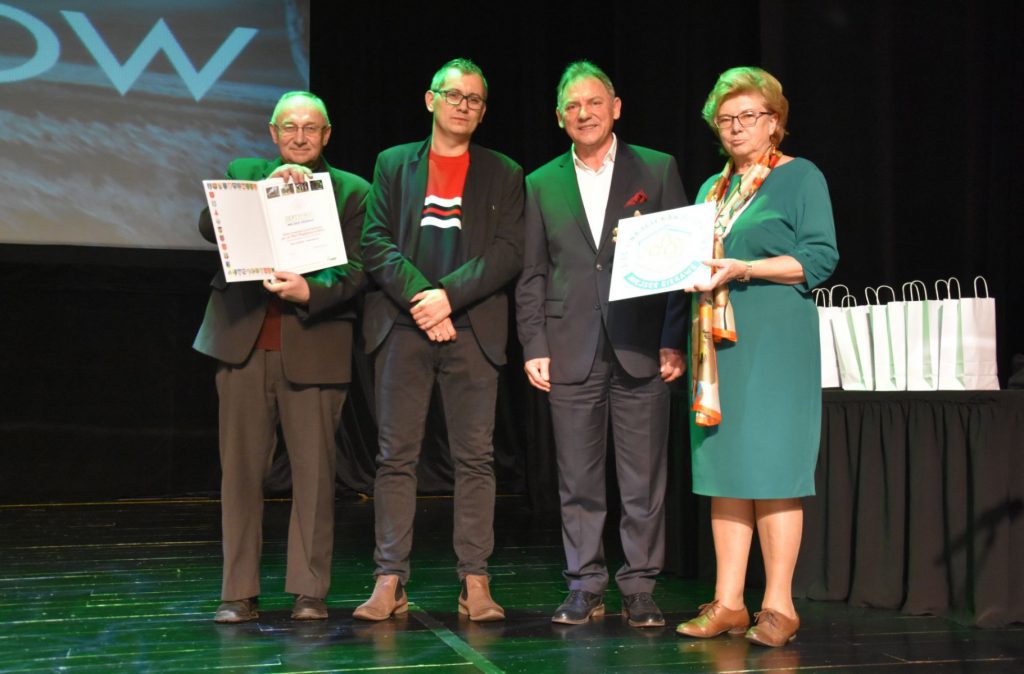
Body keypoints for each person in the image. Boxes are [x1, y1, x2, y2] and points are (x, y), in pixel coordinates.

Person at [515, 61, 688, 628]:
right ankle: (585, 584)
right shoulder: (540, 182)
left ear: (616, 107)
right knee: (578, 480)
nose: (583, 113)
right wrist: (534, 343)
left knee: (643, 480)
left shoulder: (657, 169)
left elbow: (682, 260)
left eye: (594, 102)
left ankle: (639, 586)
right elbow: (532, 272)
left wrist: (673, 339)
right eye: (572, 105)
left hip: (642, 345)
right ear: (559, 116)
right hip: (570, 346)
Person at [353, 58, 524, 622]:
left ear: (483, 110)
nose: (463, 106)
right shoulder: (393, 163)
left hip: (471, 328)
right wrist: (423, 301)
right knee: (395, 457)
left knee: (475, 459)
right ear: (431, 100)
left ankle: (475, 579)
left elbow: (508, 252)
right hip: (402, 326)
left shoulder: (504, 172)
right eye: (454, 95)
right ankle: (389, 578)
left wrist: (446, 297)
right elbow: (375, 241)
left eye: (474, 99)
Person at [676, 67, 839, 647]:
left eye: (749, 116)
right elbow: (694, 262)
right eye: (726, 119)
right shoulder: (711, 190)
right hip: (717, 349)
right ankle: (727, 603)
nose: (737, 127)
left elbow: (818, 259)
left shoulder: (800, 177)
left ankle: (778, 607)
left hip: (775, 342)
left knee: (772, 471)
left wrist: (746, 268)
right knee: (726, 471)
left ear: (774, 122)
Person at [193, 91, 370, 623]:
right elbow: (208, 227)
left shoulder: (353, 191)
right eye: (289, 127)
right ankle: (237, 592)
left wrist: (311, 291)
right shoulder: (245, 173)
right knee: (240, 475)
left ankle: (310, 592)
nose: (299, 136)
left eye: (310, 128)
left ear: (326, 135)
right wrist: (262, 194)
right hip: (244, 345)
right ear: (273, 133)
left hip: (314, 345)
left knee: (314, 478)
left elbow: (360, 270)